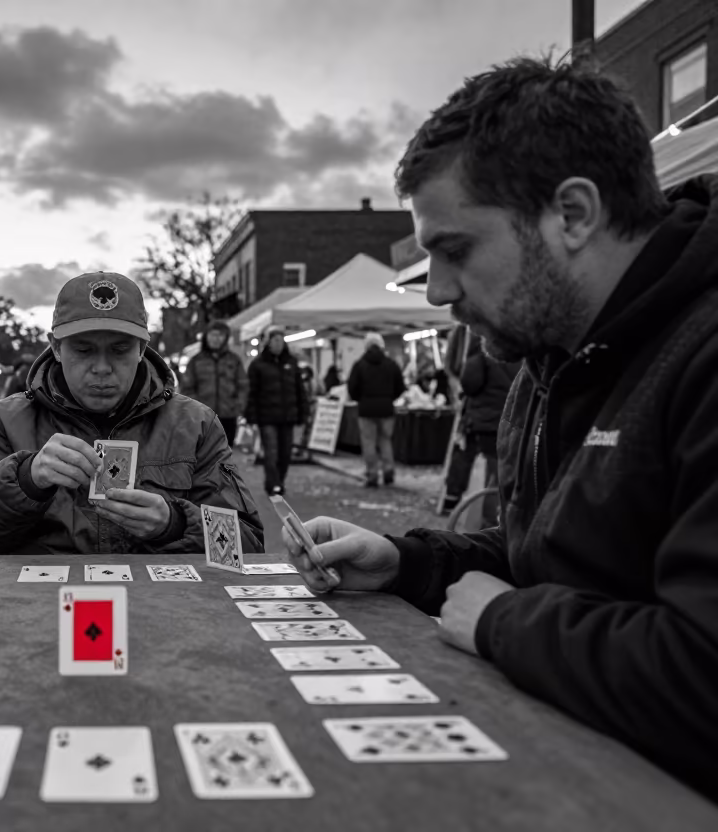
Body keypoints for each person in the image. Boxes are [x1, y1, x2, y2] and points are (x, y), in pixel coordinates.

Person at [286, 57, 718, 801]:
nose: (440, 291)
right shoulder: (546, 350)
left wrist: (506, 623)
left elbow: (702, 678)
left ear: (574, 214)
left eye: (454, 250)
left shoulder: (699, 354)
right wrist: (404, 562)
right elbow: (549, 552)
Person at [0, 271, 263, 555]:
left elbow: (247, 546)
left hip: (162, 616)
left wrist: (175, 524)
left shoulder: (196, 424)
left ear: (142, 349)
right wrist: (25, 480)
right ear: (56, 347)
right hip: (36, 616)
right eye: (84, 350)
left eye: (119, 351)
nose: (102, 369)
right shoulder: (5, 420)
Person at [442, 327, 520, 523]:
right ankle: (494, 515)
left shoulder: (480, 357)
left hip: (483, 420)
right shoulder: (518, 356)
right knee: (499, 469)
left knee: (473, 464)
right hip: (509, 417)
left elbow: (469, 385)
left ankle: (478, 515)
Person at [245, 325, 307, 497]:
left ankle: (279, 479)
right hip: (267, 417)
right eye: (275, 340)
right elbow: (251, 392)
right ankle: (274, 485)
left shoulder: (291, 363)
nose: (278, 344)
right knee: (271, 452)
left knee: (285, 453)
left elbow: (299, 390)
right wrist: (251, 416)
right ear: (268, 343)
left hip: (288, 417)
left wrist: (303, 413)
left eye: (281, 340)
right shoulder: (257, 365)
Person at [346, 332, 406, 487]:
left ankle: (372, 474)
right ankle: (388, 471)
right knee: (385, 440)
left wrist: (360, 399)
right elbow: (400, 386)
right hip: (386, 408)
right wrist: (389, 398)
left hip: (366, 409)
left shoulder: (359, 365)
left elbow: (352, 388)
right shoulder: (391, 364)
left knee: (369, 443)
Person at [181, 320, 248, 443]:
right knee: (203, 454)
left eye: (220, 335)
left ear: (226, 338)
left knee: (224, 454)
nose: (216, 339)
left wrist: (238, 405)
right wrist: (195, 408)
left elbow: (243, 385)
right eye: (213, 335)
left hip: (228, 415)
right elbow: (187, 387)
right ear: (206, 336)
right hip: (202, 417)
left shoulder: (234, 360)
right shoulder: (196, 361)